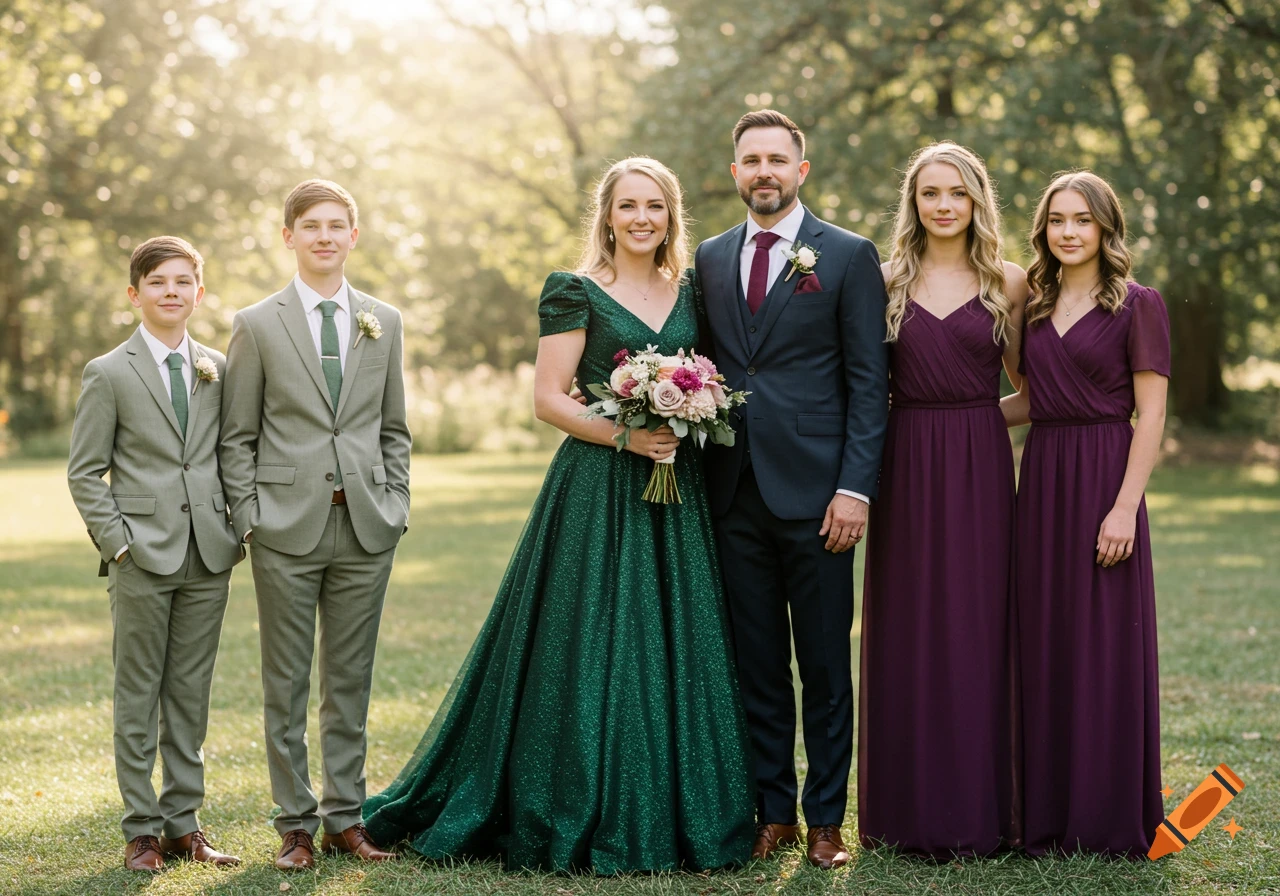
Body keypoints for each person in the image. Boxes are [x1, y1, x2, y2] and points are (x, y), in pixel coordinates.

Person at [362, 157, 754, 873]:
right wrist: (629, 434)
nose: (642, 218)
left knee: (677, 637)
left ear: (671, 216)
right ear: (606, 216)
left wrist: (690, 409)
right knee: (591, 638)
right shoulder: (574, 290)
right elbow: (549, 397)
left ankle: (683, 810)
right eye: (628, 206)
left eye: (655, 207)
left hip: (678, 486)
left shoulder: (694, 288)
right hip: (600, 485)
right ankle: (570, 800)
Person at [694, 110, 889, 869]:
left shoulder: (846, 255)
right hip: (732, 491)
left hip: (819, 499)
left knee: (824, 667)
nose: (764, 170)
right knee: (757, 663)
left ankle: (828, 820)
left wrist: (855, 489)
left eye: (778, 158)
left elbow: (870, 385)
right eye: (751, 159)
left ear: (800, 171)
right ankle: (772, 811)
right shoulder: (709, 258)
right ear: (735, 171)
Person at [220, 179, 412, 870]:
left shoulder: (384, 320)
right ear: (289, 236)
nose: (325, 236)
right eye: (312, 226)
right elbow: (236, 435)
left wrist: (397, 504)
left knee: (350, 681)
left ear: (353, 236)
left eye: (338, 225)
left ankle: (346, 819)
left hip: (366, 525)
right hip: (285, 529)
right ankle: (295, 826)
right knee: (287, 680)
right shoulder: (257, 323)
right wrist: (251, 517)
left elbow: (395, 427)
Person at [857, 142, 1026, 857]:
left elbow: (1036, 391)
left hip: (981, 468)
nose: (945, 205)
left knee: (979, 626)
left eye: (957, 192)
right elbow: (864, 388)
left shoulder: (1009, 282)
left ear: (977, 199)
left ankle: (983, 810)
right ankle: (904, 813)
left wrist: (977, 421)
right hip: (903, 466)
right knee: (907, 627)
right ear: (914, 203)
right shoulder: (884, 279)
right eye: (931, 193)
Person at [1001, 170, 1169, 857]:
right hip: (1042, 482)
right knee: (1044, 644)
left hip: (1106, 477)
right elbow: (1030, 401)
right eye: (1057, 220)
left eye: (1083, 220)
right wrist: (939, 424)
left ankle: (1104, 815)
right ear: (1043, 230)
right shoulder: (1030, 307)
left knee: (1104, 647)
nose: (1069, 232)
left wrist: (1124, 508)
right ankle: (1043, 814)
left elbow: (1152, 412)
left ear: (1106, 228)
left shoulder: (1139, 304)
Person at [67, 236, 243, 872]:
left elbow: (232, 453)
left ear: (199, 291)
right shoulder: (108, 372)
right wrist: (118, 546)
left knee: (191, 694)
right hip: (140, 555)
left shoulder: (220, 367)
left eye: (183, 281)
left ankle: (183, 825)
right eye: (158, 281)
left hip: (209, 553)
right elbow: (85, 473)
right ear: (134, 294)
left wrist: (238, 527)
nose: (172, 291)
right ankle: (140, 829)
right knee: (138, 692)